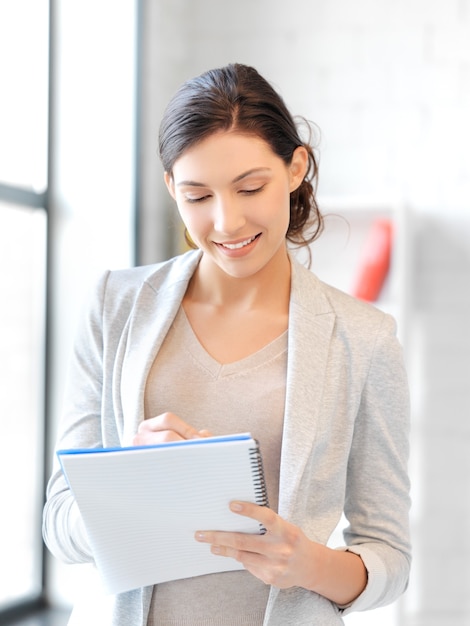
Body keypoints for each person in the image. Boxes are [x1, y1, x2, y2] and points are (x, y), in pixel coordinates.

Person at [43, 63, 411, 625]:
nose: (226, 222)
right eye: (197, 196)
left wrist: (305, 563)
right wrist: (129, 482)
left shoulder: (363, 337)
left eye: (250, 187)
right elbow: (60, 526)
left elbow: (389, 556)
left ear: (295, 167)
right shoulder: (115, 307)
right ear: (171, 188)